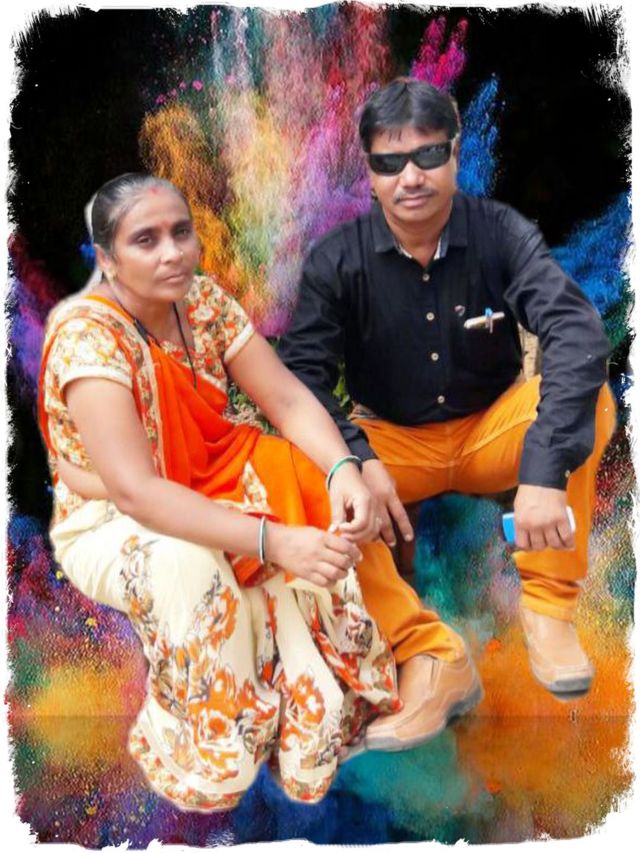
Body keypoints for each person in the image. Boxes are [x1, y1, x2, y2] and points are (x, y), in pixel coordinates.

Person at [38, 172, 482, 811]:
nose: (173, 253)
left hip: (211, 475)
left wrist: (343, 469)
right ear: (107, 260)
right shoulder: (87, 339)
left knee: (305, 472)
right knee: (190, 563)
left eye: (181, 233)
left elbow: (284, 399)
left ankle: (422, 657)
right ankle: (223, 739)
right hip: (116, 518)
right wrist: (275, 542)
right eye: (146, 240)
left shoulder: (201, 301)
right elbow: (135, 493)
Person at [278, 78, 616, 745]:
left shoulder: (501, 233)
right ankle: (431, 657)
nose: (411, 177)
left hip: (492, 430)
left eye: (428, 155)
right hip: (391, 445)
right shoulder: (336, 260)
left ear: (455, 154)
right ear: (370, 172)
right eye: (390, 162)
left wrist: (543, 472)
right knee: (297, 460)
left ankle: (549, 608)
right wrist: (354, 458)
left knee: (589, 396)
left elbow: (575, 332)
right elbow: (300, 379)